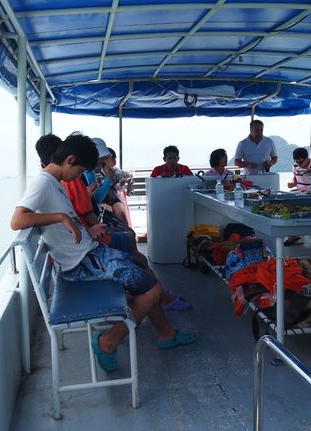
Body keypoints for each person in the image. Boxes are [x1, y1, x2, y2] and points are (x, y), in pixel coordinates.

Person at [12, 133, 197, 372]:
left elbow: (65, 223)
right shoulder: (43, 183)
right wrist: (59, 217)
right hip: (84, 263)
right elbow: (17, 220)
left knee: (144, 275)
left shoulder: (54, 182)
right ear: (70, 160)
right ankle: (109, 341)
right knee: (152, 289)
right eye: (80, 171)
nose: (79, 177)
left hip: (90, 253)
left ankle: (166, 333)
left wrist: (88, 229)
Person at [34, 134, 193, 312]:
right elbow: (85, 211)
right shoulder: (64, 182)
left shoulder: (58, 182)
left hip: (87, 244)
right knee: (136, 258)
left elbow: (80, 213)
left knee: (134, 253)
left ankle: (159, 298)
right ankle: (159, 298)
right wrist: (72, 218)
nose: (86, 172)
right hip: (86, 252)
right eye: (97, 163)